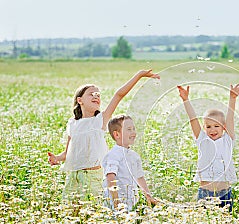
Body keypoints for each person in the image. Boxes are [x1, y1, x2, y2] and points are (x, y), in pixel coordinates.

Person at [48, 70, 160, 201]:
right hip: (74, 177)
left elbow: (119, 95)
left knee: (96, 210)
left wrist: (139, 75)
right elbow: (68, 153)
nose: (96, 97)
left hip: (94, 176)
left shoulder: (100, 120)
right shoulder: (72, 124)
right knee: (70, 211)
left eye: (98, 95)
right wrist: (57, 158)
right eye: (91, 94)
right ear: (80, 100)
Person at [177, 84, 239, 212]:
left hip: (224, 194)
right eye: (208, 127)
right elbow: (193, 120)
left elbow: (230, 118)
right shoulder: (202, 139)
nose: (212, 130)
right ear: (204, 128)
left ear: (224, 127)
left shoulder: (227, 140)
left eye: (216, 126)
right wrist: (185, 100)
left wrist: (232, 99)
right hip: (205, 193)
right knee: (204, 223)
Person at [102, 114, 157, 211]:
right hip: (116, 202)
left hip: (131, 201)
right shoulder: (113, 154)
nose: (133, 132)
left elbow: (140, 177)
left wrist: (148, 196)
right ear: (117, 134)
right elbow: (110, 177)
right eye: (129, 129)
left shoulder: (134, 156)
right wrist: (116, 202)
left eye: (134, 129)